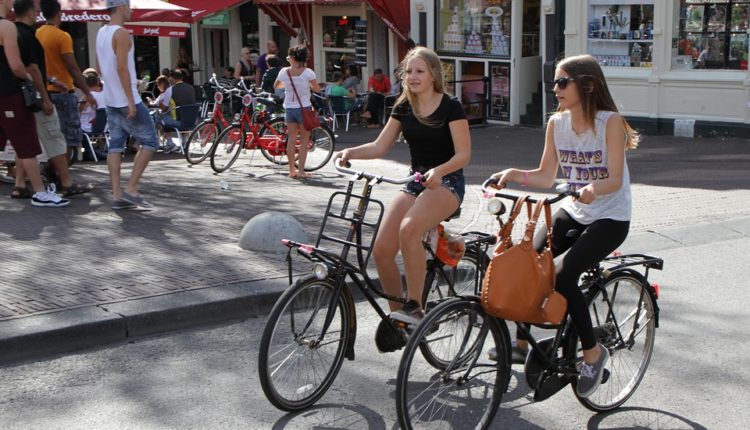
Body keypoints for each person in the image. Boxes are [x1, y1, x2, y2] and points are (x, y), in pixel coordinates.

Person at [488, 54, 639, 398]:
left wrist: (593, 189)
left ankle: (592, 353)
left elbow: (615, 179)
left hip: (610, 215)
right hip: (575, 210)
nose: (554, 88)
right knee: (528, 262)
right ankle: (522, 343)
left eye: (561, 82)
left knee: (563, 274)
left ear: (586, 85)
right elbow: (545, 175)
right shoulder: (557, 124)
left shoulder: (609, 123)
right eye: (553, 81)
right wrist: (514, 174)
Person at [334, 46, 471, 349]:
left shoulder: (450, 106)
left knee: (409, 229)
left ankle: (415, 307)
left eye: (419, 71)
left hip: (446, 182)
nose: (412, 76)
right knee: (382, 249)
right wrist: (349, 152)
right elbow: (380, 146)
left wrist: (440, 170)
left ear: (434, 74)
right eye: (408, 71)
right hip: (415, 181)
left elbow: (464, 154)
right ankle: (401, 322)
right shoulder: (404, 106)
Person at [13, 0, 94, 198]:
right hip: (46, 95)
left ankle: (20, 184)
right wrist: (86, 92)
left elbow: (24, 66)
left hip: (24, 94)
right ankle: (65, 181)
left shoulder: (28, 33)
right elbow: (69, 67)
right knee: (60, 138)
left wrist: (49, 79)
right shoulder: (57, 36)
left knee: (24, 140)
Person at [0, 0, 68, 207]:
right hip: (10, 93)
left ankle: (30, 187)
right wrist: (31, 82)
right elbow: (16, 65)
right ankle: (40, 192)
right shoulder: (6, 26)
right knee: (26, 144)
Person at [96, 0, 159, 210]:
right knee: (150, 141)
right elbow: (122, 67)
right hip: (125, 98)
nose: (132, 10)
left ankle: (116, 195)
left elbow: (101, 67)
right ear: (121, 7)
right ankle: (131, 188)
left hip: (110, 99)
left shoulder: (101, 32)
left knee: (115, 146)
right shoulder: (121, 33)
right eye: (130, 6)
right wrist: (131, 100)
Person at [37, 0, 96, 162]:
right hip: (64, 92)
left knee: (51, 136)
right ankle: (62, 174)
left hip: (46, 92)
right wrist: (87, 92)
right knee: (69, 137)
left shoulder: (37, 34)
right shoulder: (62, 36)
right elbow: (73, 67)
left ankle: (53, 171)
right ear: (58, 14)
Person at [273, 44, 321, 179]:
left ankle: (291, 171)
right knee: (304, 142)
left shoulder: (284, 72)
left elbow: (276, 86)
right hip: (304, 108)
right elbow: (317, 89)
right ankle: (301, 171)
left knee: (291, 140)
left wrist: (288, 84)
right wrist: (307, 86)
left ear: (292, 58)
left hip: (289, 107)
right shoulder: (308, 73)